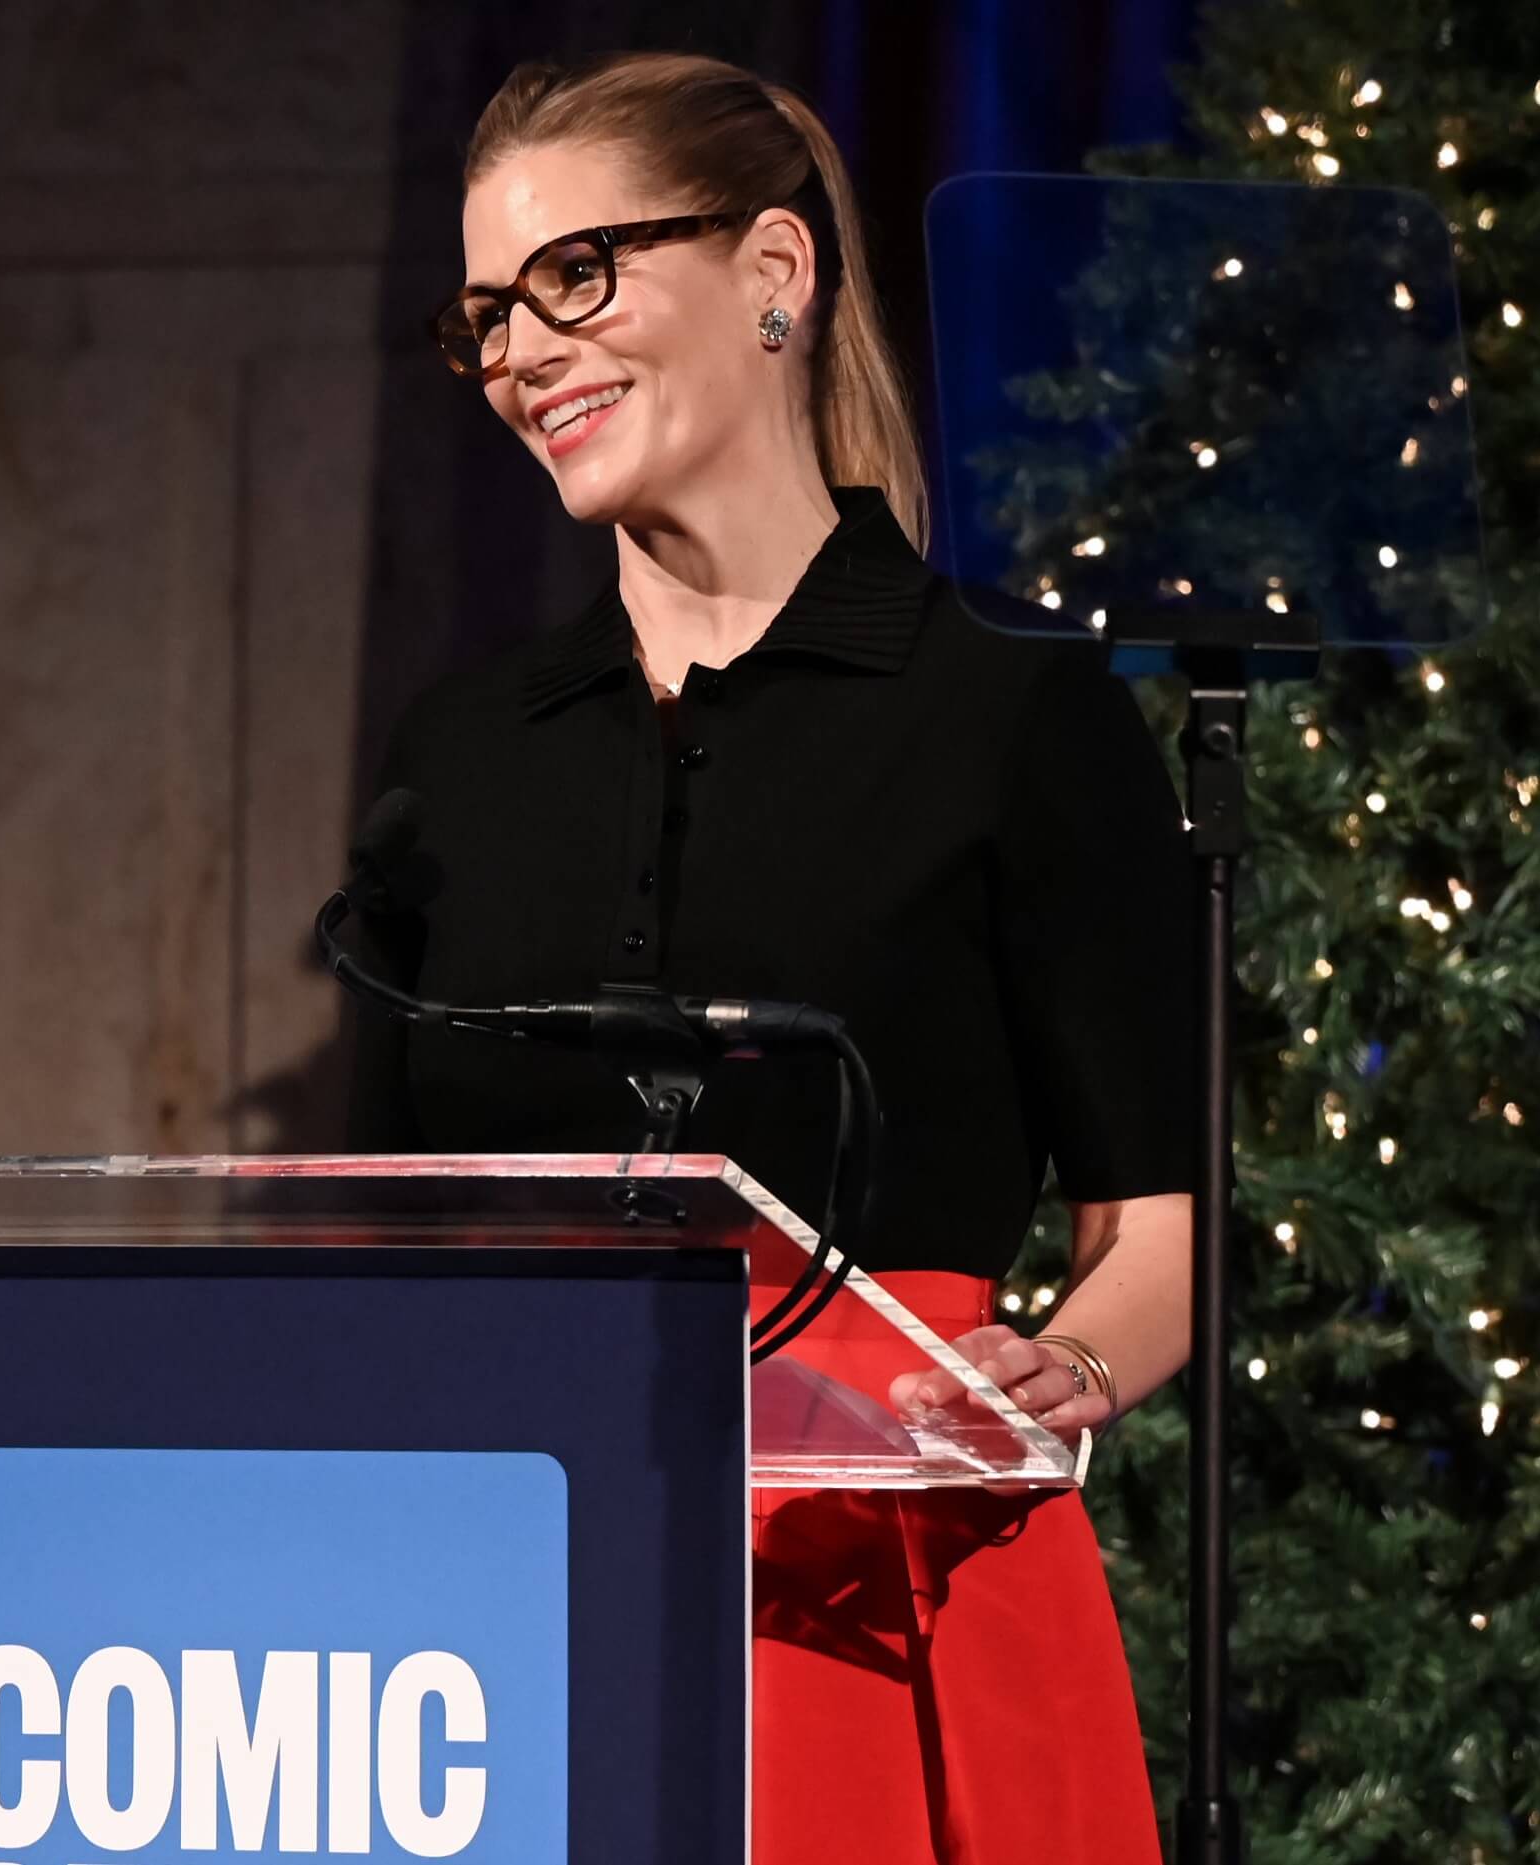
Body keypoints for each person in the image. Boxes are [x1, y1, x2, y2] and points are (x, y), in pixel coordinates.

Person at [350, 49, 1198, 1865]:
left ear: (774, 276)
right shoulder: (463, 756)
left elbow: (1161, 1237)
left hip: (894, 1576)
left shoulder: (1014, 711)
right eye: (488, 313)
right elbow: (377, 1219)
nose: (520, 353)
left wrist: (1064, 1375)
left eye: (574, 277)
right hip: (509, 1582)